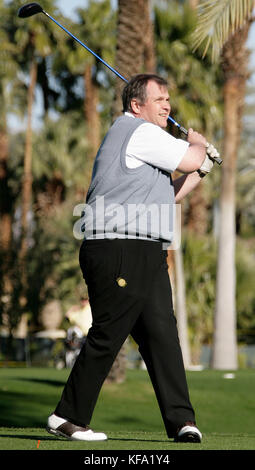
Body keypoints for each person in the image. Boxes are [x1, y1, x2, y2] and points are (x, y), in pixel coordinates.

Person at [47, 74, 219, 443]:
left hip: (146, 249)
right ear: (136, 105)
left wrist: (202, 166)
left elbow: (169, 193)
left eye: (168, 99)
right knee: (110, 332)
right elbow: (188, 158)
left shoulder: (145, 142)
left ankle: (181, 422)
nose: (167, 105)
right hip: (119, 246)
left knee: (161, 335)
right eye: (159, 99)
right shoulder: (139, 132)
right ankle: (66, 416)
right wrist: (199, 147)